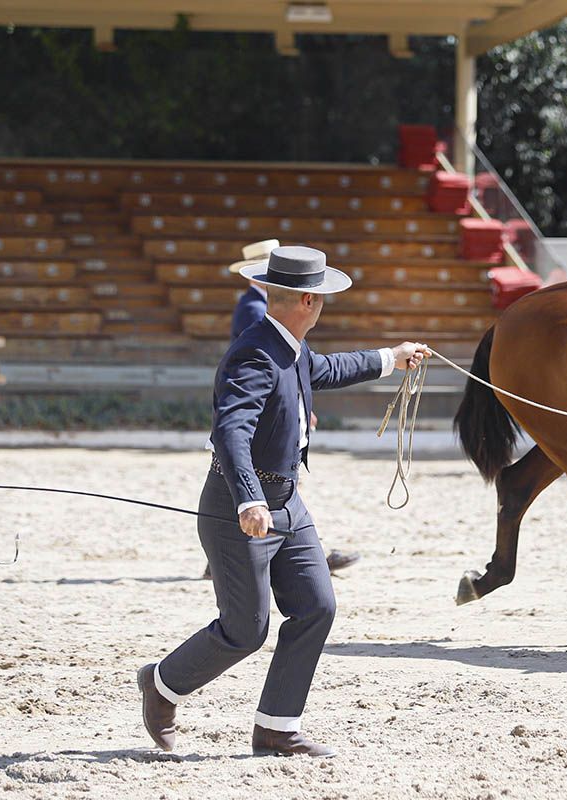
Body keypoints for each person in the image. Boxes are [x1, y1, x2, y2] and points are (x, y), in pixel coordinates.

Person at [139, 245, 430, 757]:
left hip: (288, 504)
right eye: (319, 297)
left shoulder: (290, 346)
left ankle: (276, 729)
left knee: (316, 606)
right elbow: (230, 431)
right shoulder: (255, 352)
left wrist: (392, 357)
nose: (322, 305)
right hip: (239, 510)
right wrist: (249, 500)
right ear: (305, 301)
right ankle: (161, 685)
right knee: (244, 631)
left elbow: (331, 368)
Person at [203, 240, 359, 578]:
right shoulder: (258, 315)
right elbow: (262, 369)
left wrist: (295, 403)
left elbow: (305, 369)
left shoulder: (266, 315)